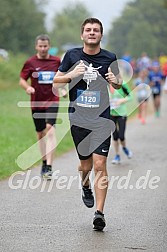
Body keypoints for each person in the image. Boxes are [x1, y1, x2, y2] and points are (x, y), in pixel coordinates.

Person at [53, 18, 122, 231]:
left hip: (101, 119)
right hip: (78, 118)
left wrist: (115, 81)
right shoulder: (72, 56)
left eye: (96, 30)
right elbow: (56, 80)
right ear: (82, 35)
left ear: (101, 35)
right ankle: (85, 185)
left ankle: (99, 213)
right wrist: (72, 75)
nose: (92, 33)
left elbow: (118, 83)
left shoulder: (110, 57)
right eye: (88, 30)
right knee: (86, 166)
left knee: (100, 164)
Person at [19, 34, 66, 179]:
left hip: (52, 100)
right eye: (40, 46)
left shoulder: (56, 61)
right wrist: (27, 88)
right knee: (40, 134)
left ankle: (50, 167)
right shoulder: (30, 62)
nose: (43, 48)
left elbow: (62, 77)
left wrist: (63, 89)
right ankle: (44, 162)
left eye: (45, 46)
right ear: (36, 47)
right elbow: (22, 79)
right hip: (37, 102)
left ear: (49, 47)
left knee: (50, 131)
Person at [109, 82, 133, 164]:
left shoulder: (122, 84)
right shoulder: (104, 85)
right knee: (115, 136)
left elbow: (130, 96)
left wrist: (122, 100)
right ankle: (117, 155)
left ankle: (125, 148)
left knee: (121, 136)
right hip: (110, 114)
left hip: (121, 113)